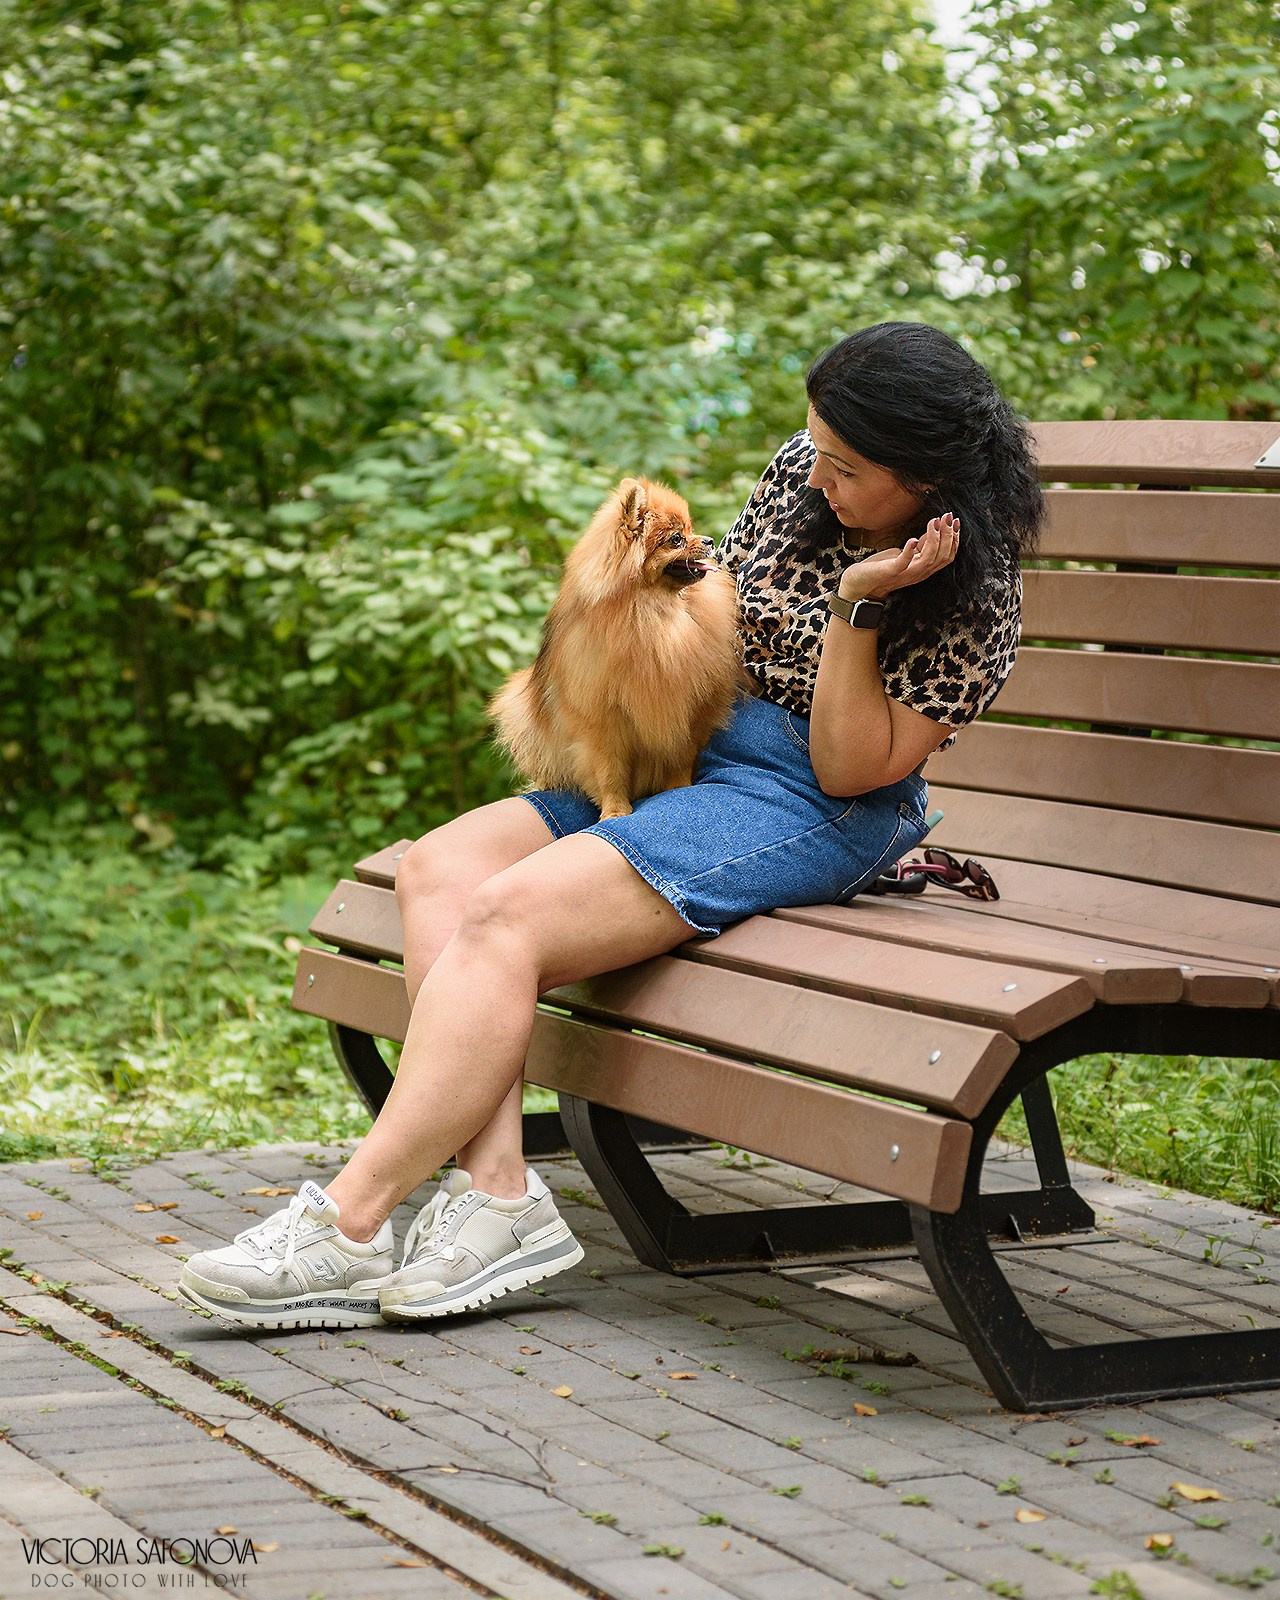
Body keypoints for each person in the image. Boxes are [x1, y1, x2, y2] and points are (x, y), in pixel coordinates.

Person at [178, 321, 1044, 1330]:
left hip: (811, 802)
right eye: (815, 452)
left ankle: (347, 1220)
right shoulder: (802, 472)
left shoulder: (978, 596)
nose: (817, 483)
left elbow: (848, 766)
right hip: (687, 748)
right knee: (440, 870)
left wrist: (859, 604)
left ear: (928, 476)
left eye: (847, 469)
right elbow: (711, 604)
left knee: (508, 915)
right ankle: (500, 1194)